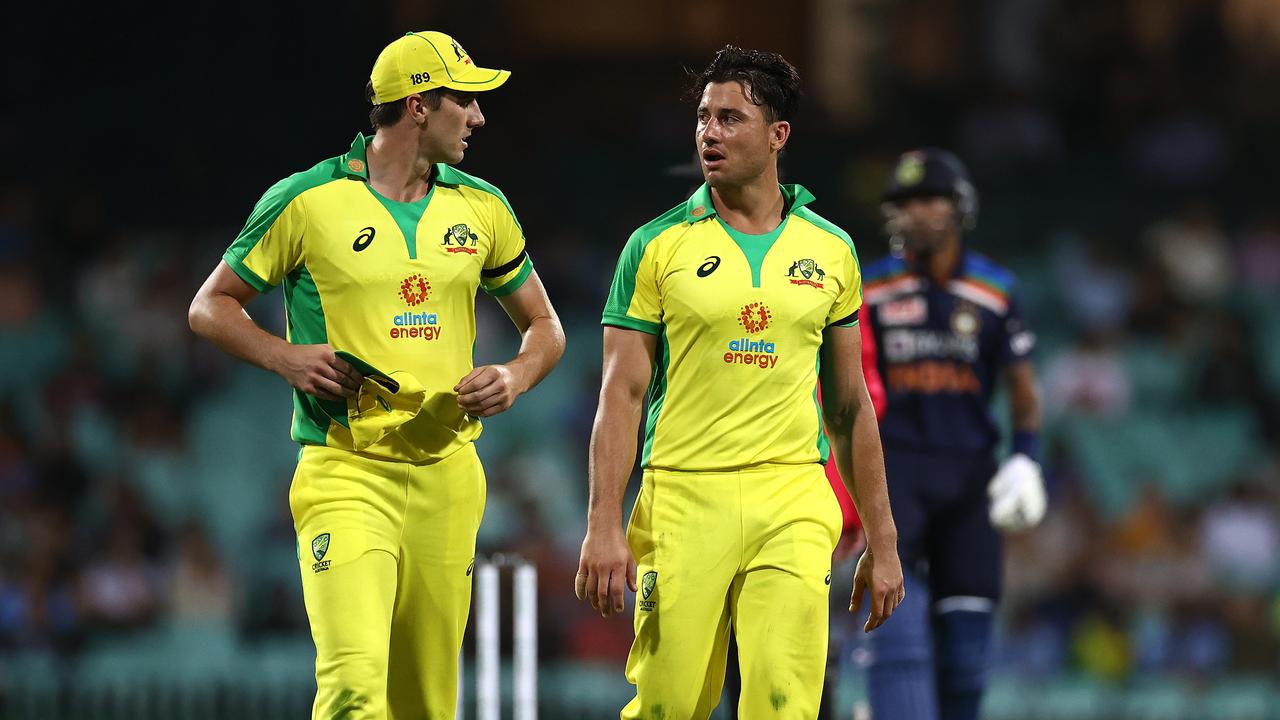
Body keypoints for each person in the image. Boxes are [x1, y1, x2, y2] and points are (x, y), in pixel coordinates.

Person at [188, 31, 564, 719]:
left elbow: (547, 330)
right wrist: (286, 356)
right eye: (465, 100)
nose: (478, 117)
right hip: (346, 471)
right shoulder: (306, 199)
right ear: (418, 105)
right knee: (355, 691)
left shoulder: (482, 206)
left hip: (449, 477)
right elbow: (209, 306)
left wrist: (514, 376)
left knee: (424, 702)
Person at [575, 45, 904, 719]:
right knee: (669, 706)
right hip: (682, 499)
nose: (708, 133)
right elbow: (621, 395)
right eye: (702, 117)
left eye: (729, 118)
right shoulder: (656, 246)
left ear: (778, 135)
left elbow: (848, 408)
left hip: (791, 497)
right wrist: (603, 525)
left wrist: (884, 537)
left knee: (785, 703)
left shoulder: (831, 250)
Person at [854, 148, 1045, 720]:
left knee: (965, 661)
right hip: (895, 477)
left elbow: (1022, 387)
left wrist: (1027, 458)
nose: (918, 213)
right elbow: (846, 390)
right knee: (897, 646)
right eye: (905, 203)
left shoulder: (996, 289)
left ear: (960, 207)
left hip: (970, 480)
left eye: (931, 200)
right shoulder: (869, 288)